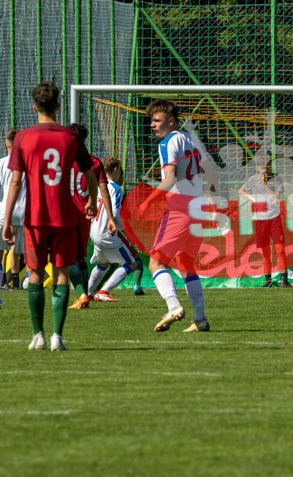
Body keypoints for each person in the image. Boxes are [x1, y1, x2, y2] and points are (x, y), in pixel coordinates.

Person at [3, 82, 115, 351]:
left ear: (34, 107)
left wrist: (7, 219)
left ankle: (37, 335)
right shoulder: (71, 138)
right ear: (58, 106)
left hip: (35, 218)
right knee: (62, 274)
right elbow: (91, 175)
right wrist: (90, 201)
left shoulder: (24, 138)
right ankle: (57, 337)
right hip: (64, 217)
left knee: (35, 274)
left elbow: (15, 181)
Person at [137, 99, 211, 332]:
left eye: (157, 120)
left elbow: (169, 179)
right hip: (198, 208)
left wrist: (147, 201)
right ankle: (200, 320)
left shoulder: (168, 142)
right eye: (151, 121)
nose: (152, 125)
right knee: (186, 262)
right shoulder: (190, 139)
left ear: (171, 121)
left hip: (181, 210)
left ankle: (173, 306)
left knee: (156, 261)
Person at [85, 156, 142, 301]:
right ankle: (104, 291)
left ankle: (87, 293)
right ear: (116, 169)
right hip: (108, 233)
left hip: (94, 232)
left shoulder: (97, 186)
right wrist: (126, 231)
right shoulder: (116, 188)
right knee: (131, 264)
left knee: (103, 263)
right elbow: (115, 214)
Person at [66, 123, 108, 310]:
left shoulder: (62, 161)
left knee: (68, 259)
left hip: (65, 214)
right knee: (80, 258)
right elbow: (103, 189)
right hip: (86, 216)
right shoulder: (95, 162)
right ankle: (84, 296)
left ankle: (82, 294)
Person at [0, 129, 26, 309]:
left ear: (5, 144)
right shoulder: (27, 164)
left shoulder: (0, 164)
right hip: (25, 217)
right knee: (30, 258)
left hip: (4, 216)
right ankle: (26, 289)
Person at [238, 154, 290, 288]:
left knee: (279, 249)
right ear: (257, 167)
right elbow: (241, 191)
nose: (263, 168)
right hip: (260, 220)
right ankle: (268, 282)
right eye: (260, 166)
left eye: (266, 165)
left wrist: (265, 185)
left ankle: (285, 282)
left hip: (274, 218)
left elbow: (276, 198)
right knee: (265, 251)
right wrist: (252, 198)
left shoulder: (277, 179)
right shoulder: (253, 179)